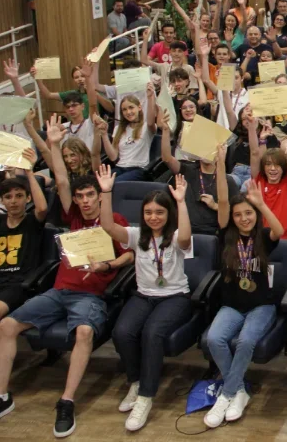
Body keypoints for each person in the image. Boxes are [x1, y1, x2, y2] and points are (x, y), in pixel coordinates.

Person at [0, 164, 132, 437]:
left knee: (84, 332)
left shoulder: (114, 219)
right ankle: (2, 396)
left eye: (89, 195)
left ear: (99, 196)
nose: (84, 201)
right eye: (80, 196)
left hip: (90, 295)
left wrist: (107, 266)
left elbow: (129, 256)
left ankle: (67, 401)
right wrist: (54, 145)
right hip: (58, 292)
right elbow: (60, 180)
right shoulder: (73, 218)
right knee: (7, 326)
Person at [95, 168, 192, 431]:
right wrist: (105, 192)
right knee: (122, 332)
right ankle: (135, 383)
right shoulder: (138, 235)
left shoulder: (174, 236)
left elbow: (185, 237)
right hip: (143, 296)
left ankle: (146, 398)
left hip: (175, 297)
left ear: (167, 214)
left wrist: (181, 202)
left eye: (159, 212)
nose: (154, 217)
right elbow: (107, 226)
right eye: (148, 212)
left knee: (152, 334)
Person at [204, 146, 285, 429]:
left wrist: (261, 204)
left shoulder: (263, 236)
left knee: (246, 341)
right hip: (232, 304)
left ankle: (226, 395)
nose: (244, 219)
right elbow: (224, 202)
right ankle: (237, 391)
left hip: (262, 305)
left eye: (248, 213)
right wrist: (218, 165)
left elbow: (279, 230)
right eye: (239, 215)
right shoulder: (227, 235)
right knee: (214, 339)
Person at [0, 150, 47, 321]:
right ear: (2, 201)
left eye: (19, 196)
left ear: (28, 199)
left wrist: (28, 171)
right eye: (8, 197)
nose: (13, 201)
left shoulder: (31, 221)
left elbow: (42, 208)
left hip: (19, 285)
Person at [248, 103, 287, 239]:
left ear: (284, 168)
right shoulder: (259, 181)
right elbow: (254, 153)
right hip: (257, 237)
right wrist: (253, 128)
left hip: (281, 239)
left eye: (277, 165)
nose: (272, 169)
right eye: (269, 165)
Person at [100, 91, 157, 182]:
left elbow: (151, 121)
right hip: (120, 167)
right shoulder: (118, 129)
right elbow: (113, 157)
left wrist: (150, 98)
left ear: (139, 107)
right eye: (124, 109)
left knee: (114, 183)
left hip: (138, 169)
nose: (128, 112)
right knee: (99, 182)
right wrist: (104, 135)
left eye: (131, 108)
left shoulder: (146, 127)